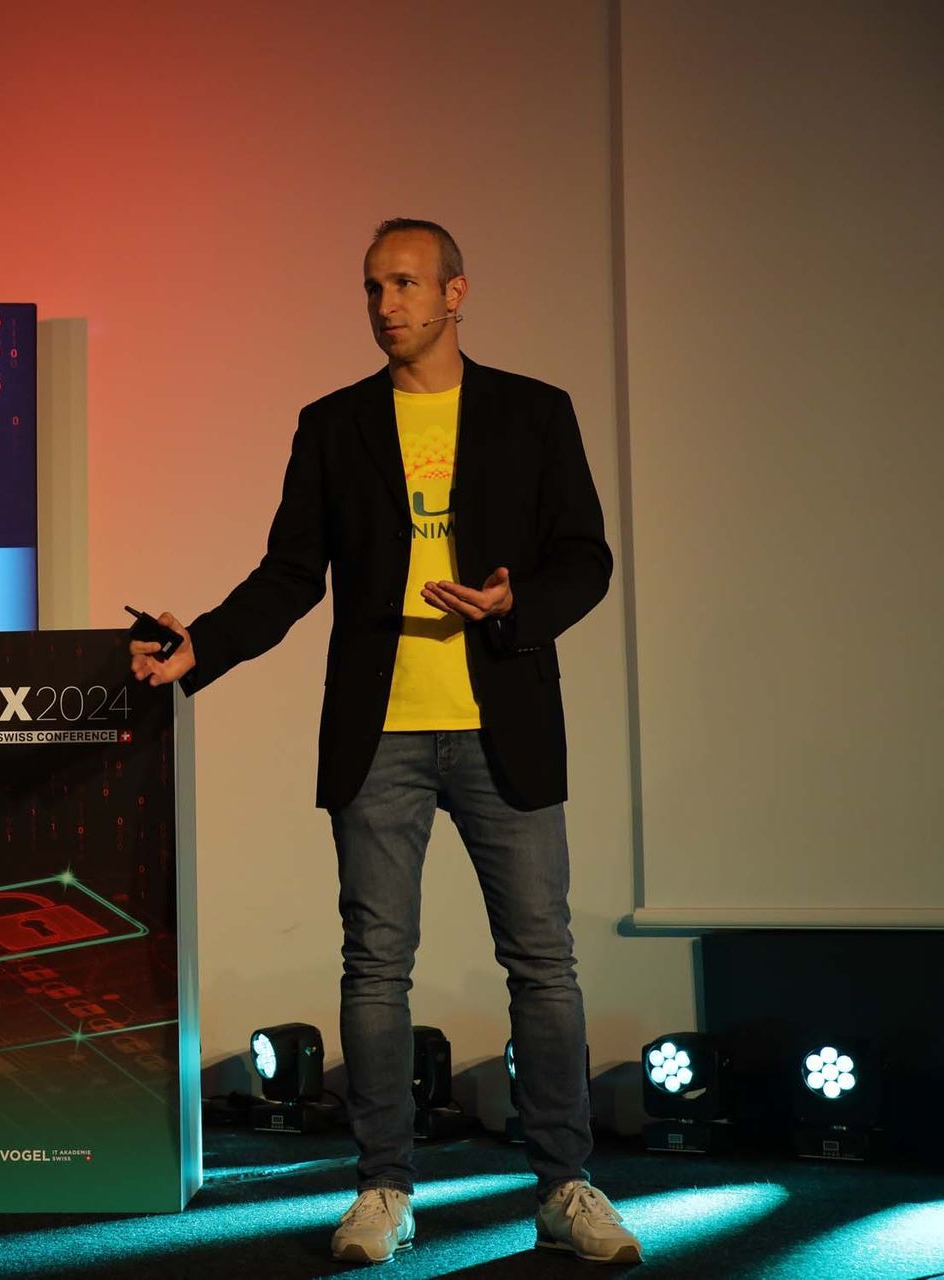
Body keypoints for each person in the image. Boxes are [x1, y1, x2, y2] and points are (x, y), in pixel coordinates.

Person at [130, 219, 642, 1265]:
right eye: (372, 287)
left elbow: (586, 557)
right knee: (375, 966)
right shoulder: (335, 424)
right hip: (381, 731)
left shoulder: (533, 411)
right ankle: (383, 1188)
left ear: (456, 291)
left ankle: (564, 1185)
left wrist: (516, 603)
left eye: (405, 283)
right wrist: (203, 647)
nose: (386, 304)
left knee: (542, 962)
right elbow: (290, 573)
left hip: (503, 721)